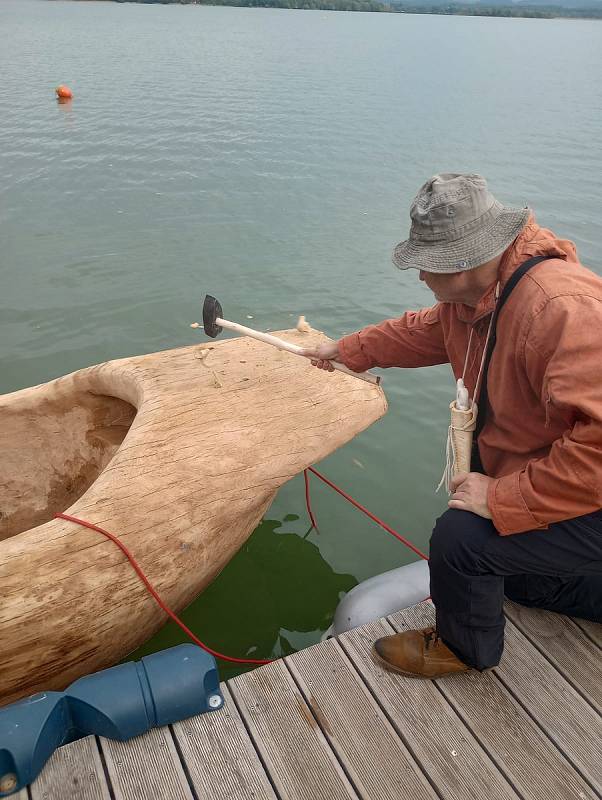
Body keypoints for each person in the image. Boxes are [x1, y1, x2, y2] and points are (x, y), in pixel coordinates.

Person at [302, 173, 602, 678]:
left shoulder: (561, 311)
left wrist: (503, 500)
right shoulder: (483, 297)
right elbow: (428, 330)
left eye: (427, 265)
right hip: (569, 488)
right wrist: (346, 351)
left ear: (465, 262)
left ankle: (465, 650)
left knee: (461, 540)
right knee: (520, 577)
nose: (420, 276)